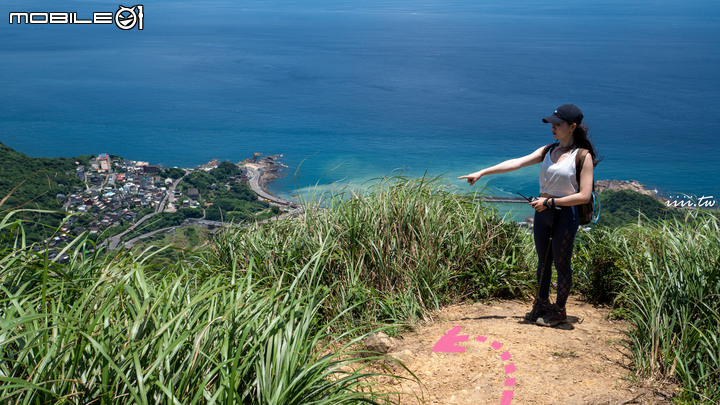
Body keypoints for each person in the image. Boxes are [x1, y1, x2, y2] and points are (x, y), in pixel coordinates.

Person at [459, 104, 599, 327]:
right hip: (543, 212)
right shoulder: (548, 150)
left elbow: (583, 196)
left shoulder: (583, 156)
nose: (553, 128)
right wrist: (482, 172)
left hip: (564, 214)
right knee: (543, 262)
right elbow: (517, 162)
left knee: (562, 264)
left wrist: (550, 202)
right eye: (552, 124)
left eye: (558, 124)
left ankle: (559, 311)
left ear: (572, 127)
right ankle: (541, 305)